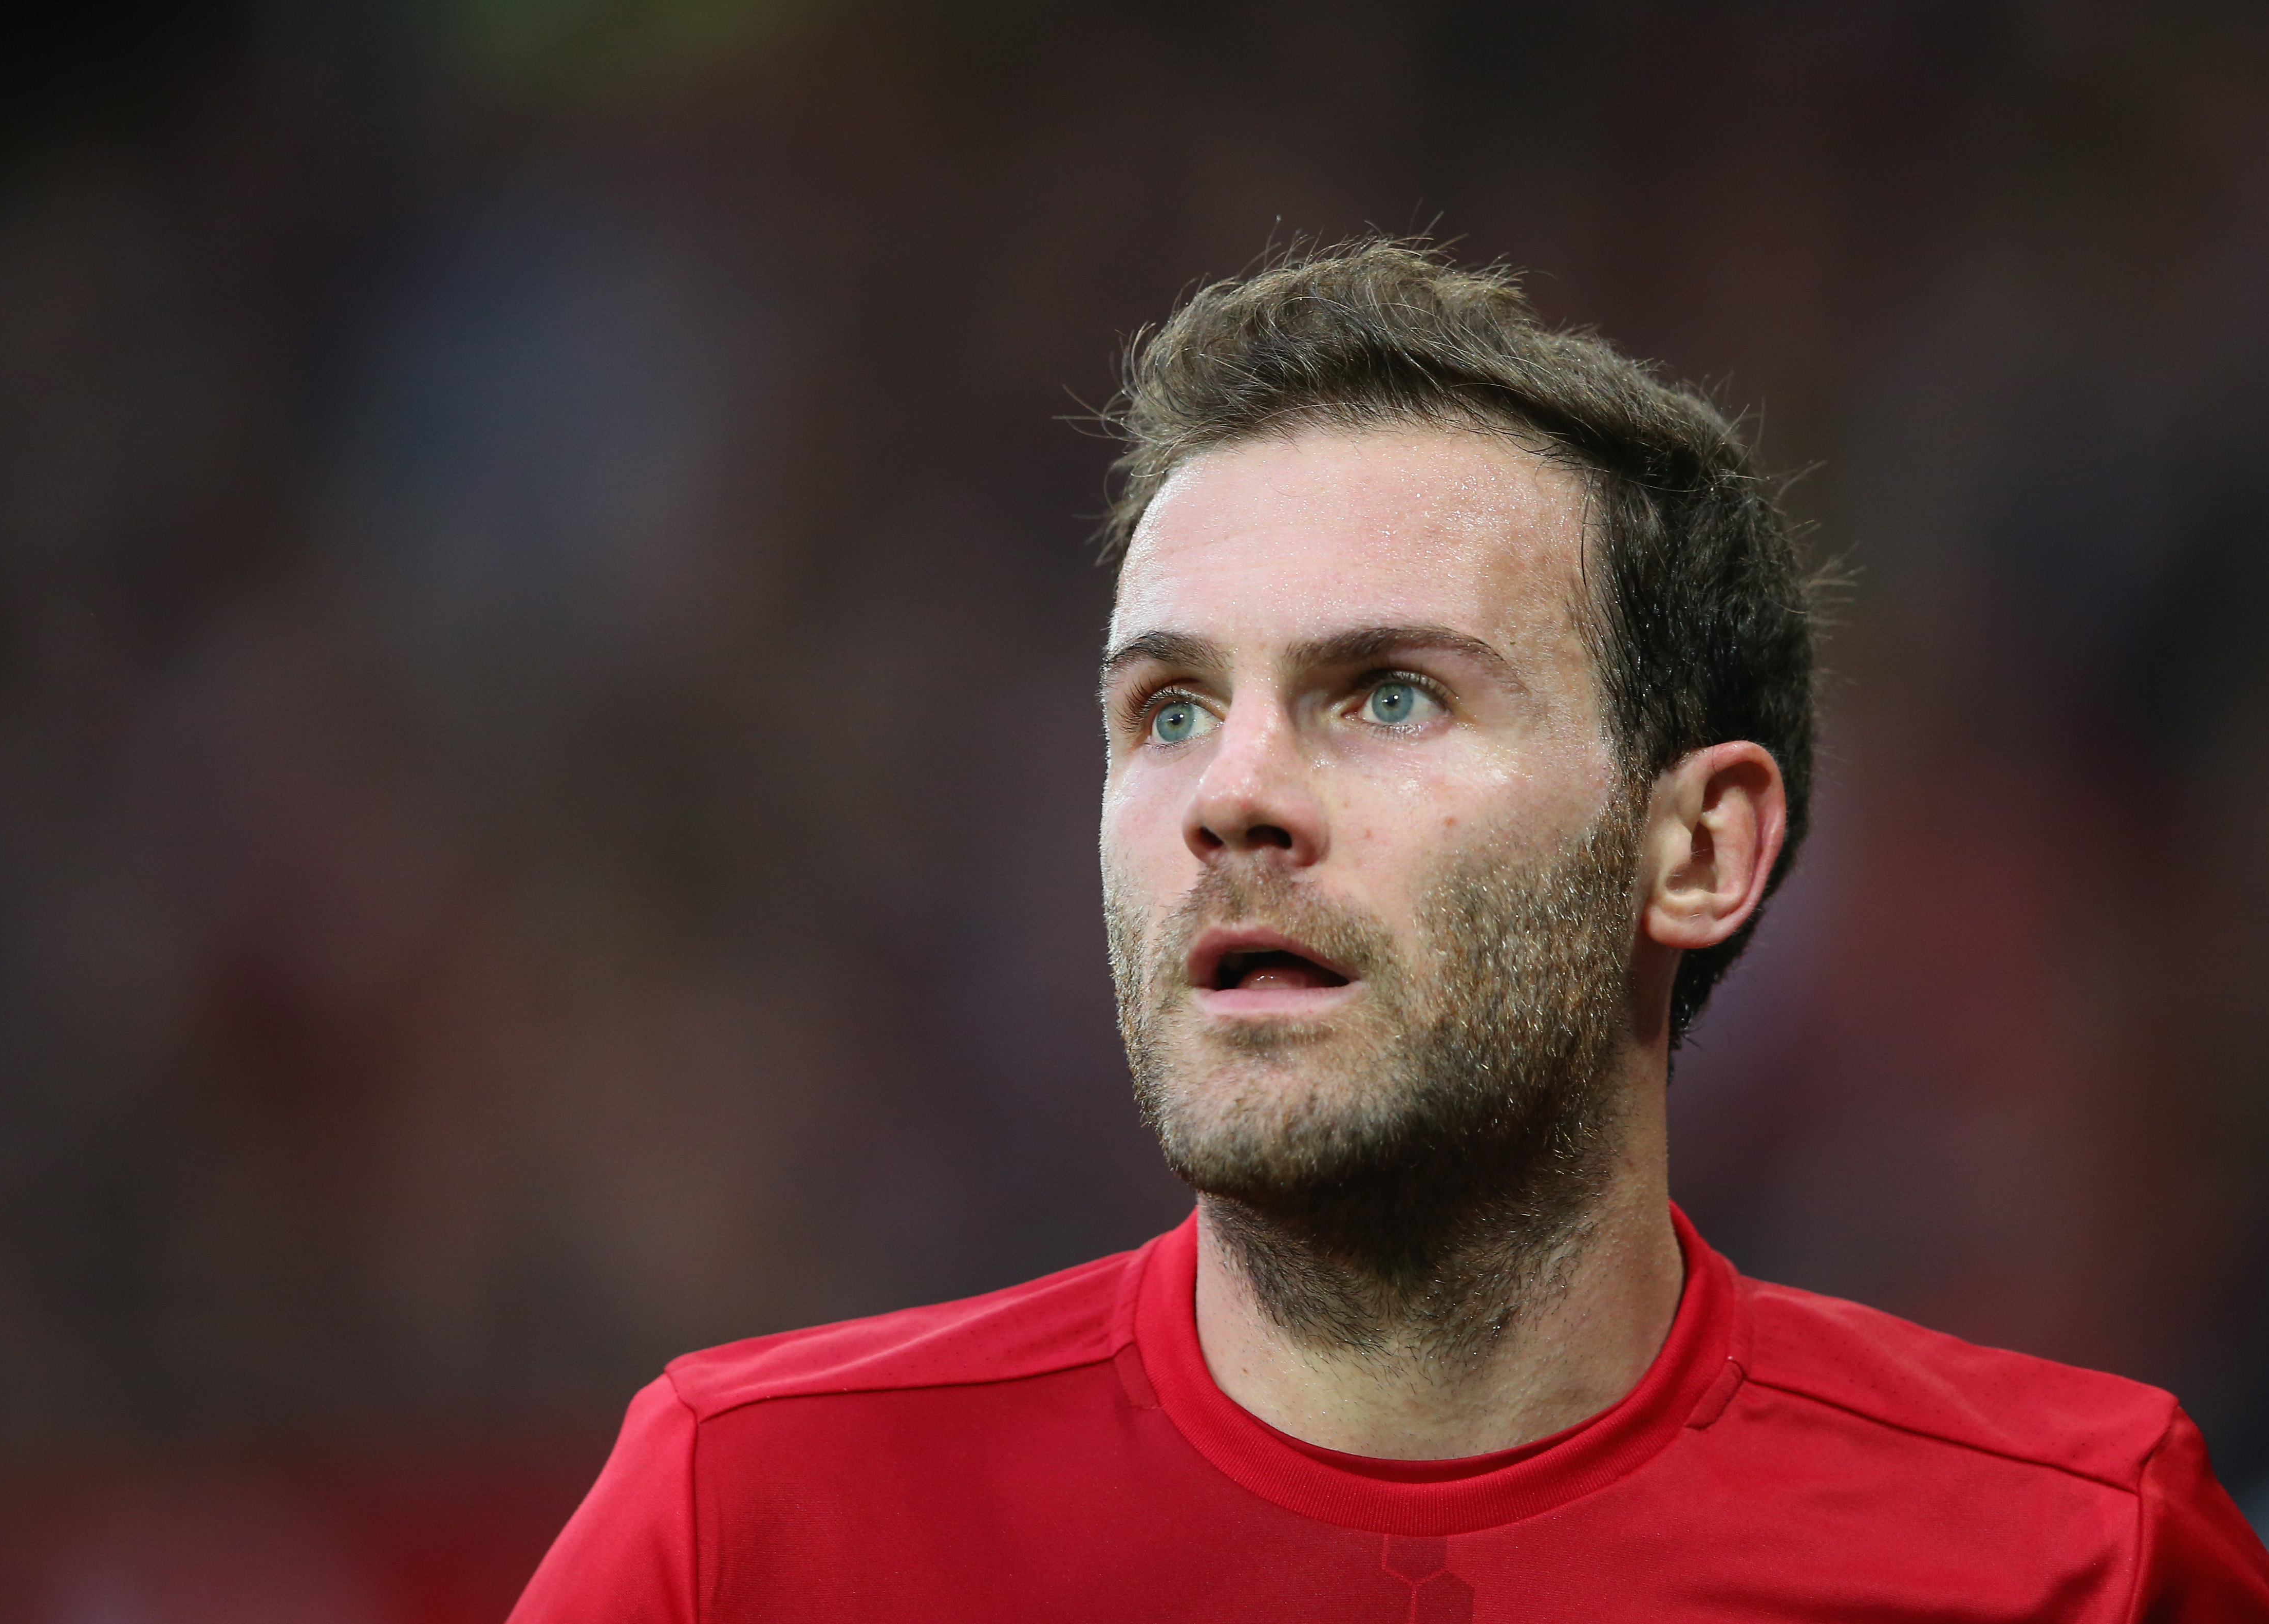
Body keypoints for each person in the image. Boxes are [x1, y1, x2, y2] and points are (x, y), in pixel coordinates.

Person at [508, 241, 2269, 1620]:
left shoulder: (2077, 1556)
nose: (1232, 796)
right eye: (1171, 709)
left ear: (1700, 847)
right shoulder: (748, 1528)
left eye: (1390, 695)